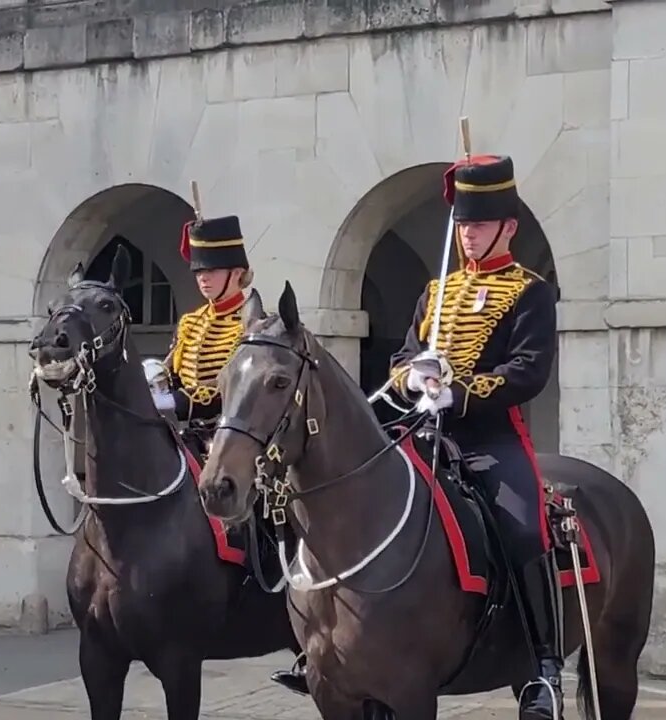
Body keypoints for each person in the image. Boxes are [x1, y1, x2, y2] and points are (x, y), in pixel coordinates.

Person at [269, 154, 563, 720]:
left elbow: (529, 370)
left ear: (508, 227)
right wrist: (416, 375)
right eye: (463, 225)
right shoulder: (437, 293)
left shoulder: (529, 292)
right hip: (419, 434)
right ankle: (318, 651)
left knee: (525, 527)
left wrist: (463, 391)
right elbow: (404, 356)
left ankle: (542, 668)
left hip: (489, 439)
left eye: (478, 225)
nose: (468, 235)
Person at [150, 214, 255, 442]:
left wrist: (179, 401)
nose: (203, 279)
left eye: (211, 271)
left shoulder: (252, 324)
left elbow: (237, 385)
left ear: (237, 273)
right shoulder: (190, 322)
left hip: (234, 436)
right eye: (198, 272)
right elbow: (173, 372)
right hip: (187, 432)